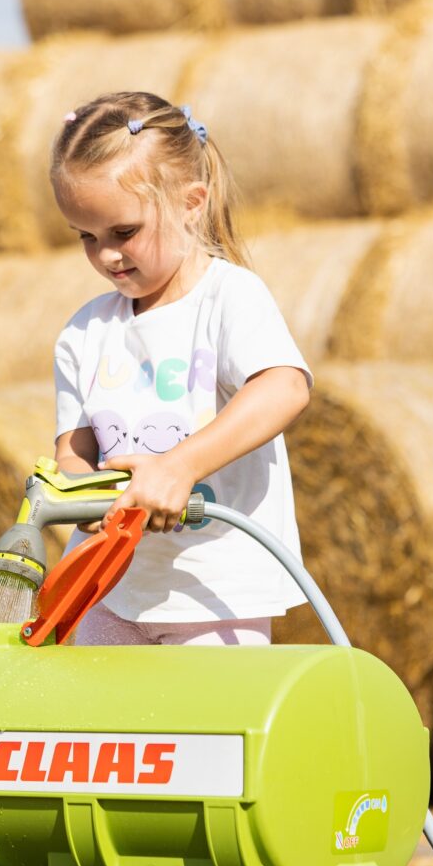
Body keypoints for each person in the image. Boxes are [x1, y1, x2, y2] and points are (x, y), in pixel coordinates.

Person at [51, 91, 312, 647]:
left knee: (205, 735)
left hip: (214, 589)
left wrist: (179, 466)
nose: (106, 256)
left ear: (191, 203)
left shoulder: (228, 296)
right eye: (86, 238)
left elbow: (284, 386)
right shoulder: (83, 332)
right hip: (106, 589)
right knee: (109, 735)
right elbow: (73, 450)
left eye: (123, 232)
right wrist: (79, 495)